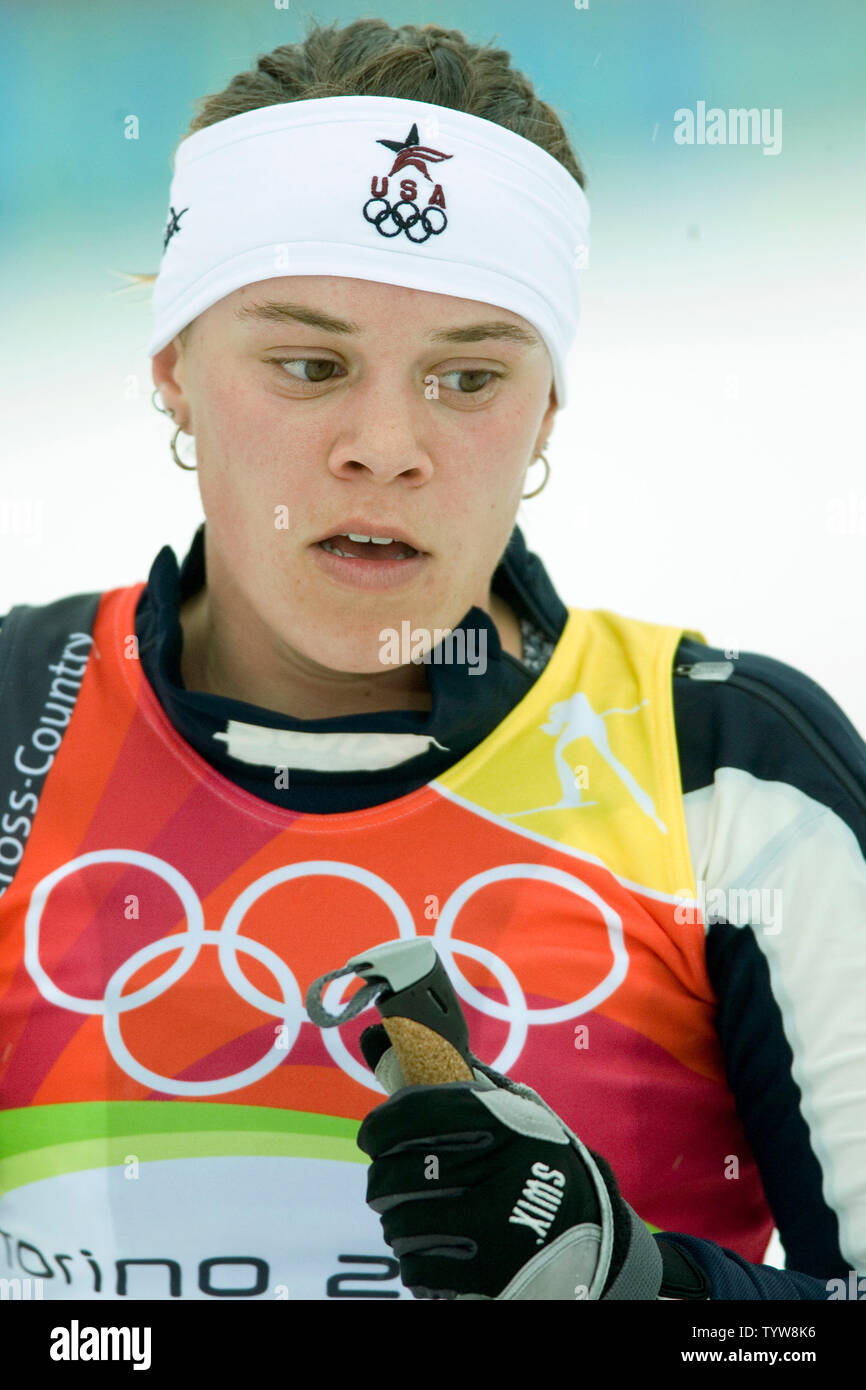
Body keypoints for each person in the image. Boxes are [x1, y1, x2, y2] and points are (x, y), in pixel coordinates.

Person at [0, 18, 863, 1303]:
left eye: (467, 377)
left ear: (546, 411)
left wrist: (632, 1286)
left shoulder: (727, 775)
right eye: (308, 364)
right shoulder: (20, 716)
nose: (385, 444)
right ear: (174, 369)